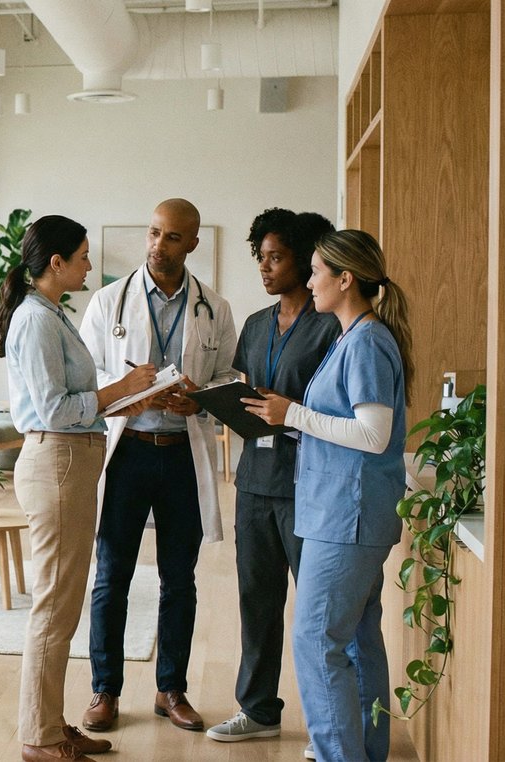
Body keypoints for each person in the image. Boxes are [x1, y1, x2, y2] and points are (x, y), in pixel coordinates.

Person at [0, 215, 158, 762]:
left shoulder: (50, 314)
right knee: (55, 607)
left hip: (71, 461)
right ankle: (38, 738)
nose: (90, 264)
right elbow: (54, 409)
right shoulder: (36, 320)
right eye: (83, 256)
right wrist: (121, 387)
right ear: (56, 263)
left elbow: (74, 404)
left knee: (61, 605)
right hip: (58, 463)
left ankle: (47, 722)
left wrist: (127, 399)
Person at [243, 229, 412, 762]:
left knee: (317, 643)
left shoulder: (364, 341)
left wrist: (291, 414)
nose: (309, 282)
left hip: (347, 518)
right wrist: (286, 417)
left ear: (345, 279)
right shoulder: (353, 336)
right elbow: (341, 424)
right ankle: (362, 751)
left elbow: (372, 434)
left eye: (316, 272)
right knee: (356, 642)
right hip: (339, 512)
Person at [80, 198, 237, 733]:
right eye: (153, 233)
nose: (158, 245)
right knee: (111, 577)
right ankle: (105, 691)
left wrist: (199, 399)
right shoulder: (108, 301)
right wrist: (129, 392)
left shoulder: (214, 307)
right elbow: (87, 376)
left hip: (180, 459)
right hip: (126, 454)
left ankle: (171, 689)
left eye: (172, 237)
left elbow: (229, 379)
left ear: (192, 243)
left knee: (180, 579)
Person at [206, 209, 340, 745]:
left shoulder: (332, 323)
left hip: (310, 484)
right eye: (259, 257)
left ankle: (329, 726)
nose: (264, 267)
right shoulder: (257, 325)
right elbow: (248, 394)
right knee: (257, 603)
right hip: (255, 481)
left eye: (276, 257)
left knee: (316, 615)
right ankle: (258, 710)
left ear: (305, 260)